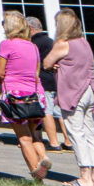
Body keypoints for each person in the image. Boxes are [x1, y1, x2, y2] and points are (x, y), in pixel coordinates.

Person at [43, 8, 94, 186]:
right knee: (90, 134)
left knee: (76, 133)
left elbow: (46, 63)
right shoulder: (84, 42)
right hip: (89, 90)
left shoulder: (62, 43)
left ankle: (84, 176)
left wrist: (55, 64)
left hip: (73, 92)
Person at [0, 11, 52, 181]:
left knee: (24, 137)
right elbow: (36, 71)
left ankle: (36, 173)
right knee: (33, 134)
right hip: (35, 94)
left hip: (15, 95)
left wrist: (0, 85)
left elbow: (0, 72)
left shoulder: (7, 44)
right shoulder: (32, 46)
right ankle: (43, 156)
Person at [27, 14, 69, 152]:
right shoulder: (51, 41)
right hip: (57, 80)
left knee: (47, 112)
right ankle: (68, 141)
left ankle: (54, 142)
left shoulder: (34, 44)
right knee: (60, 113)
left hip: (44, 81)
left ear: (30, 28)